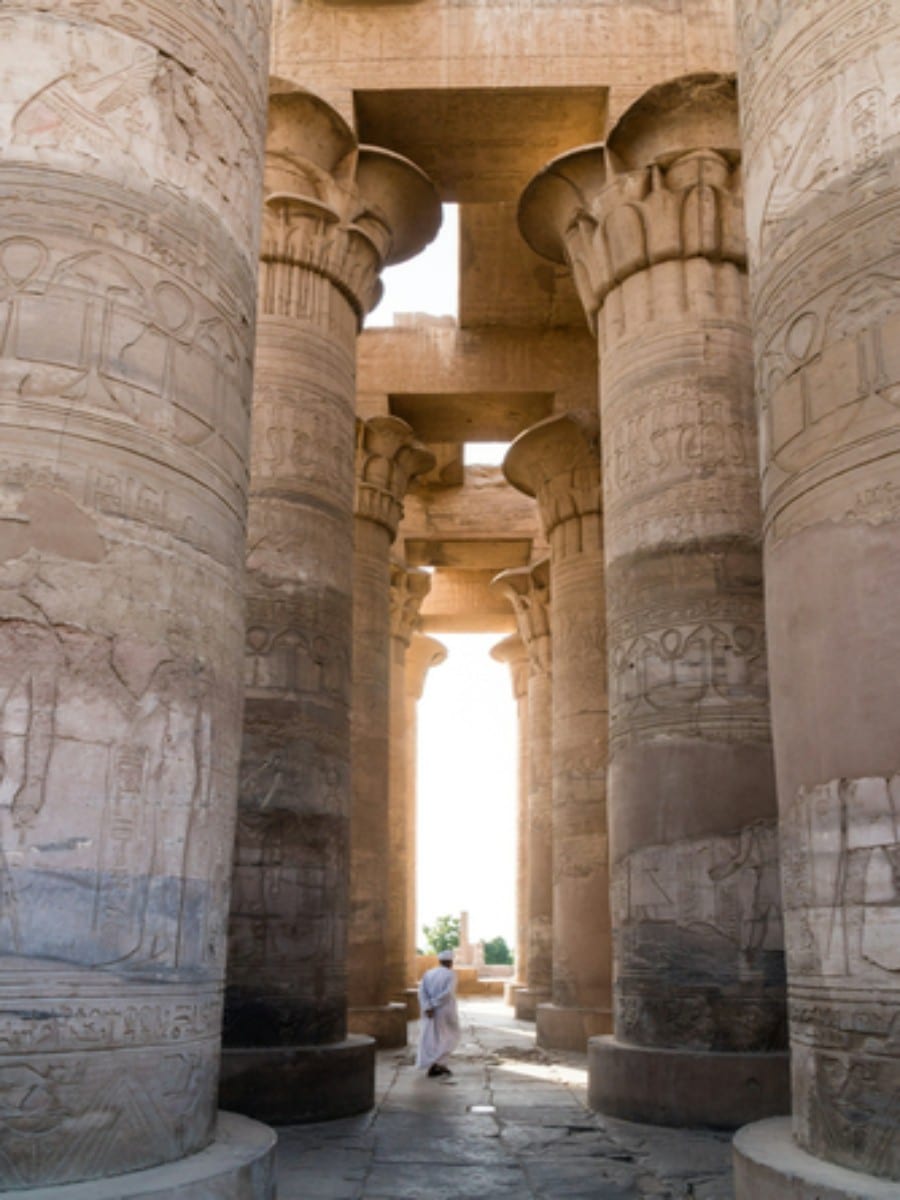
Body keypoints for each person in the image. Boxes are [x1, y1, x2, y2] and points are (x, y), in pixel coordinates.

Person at [416, 948, 461, 1077]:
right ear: (450, 962)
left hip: (429, 1011)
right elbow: (447, 993)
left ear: (440, 961)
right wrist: (434, 1005)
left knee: (431, 1037)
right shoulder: (451, 974)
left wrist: (427, 1006)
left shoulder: (428, 973)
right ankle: (437, 1064)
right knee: (450, 1036)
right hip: (444, 1011)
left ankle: (437, 1064)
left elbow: (421, 992)